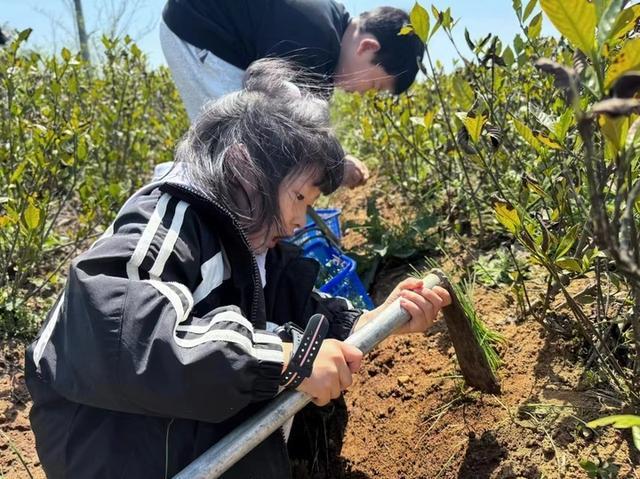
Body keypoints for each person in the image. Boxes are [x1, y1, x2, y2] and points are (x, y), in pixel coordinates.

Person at [25, 59, 449, 479]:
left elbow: (291, 305)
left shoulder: (252, 236)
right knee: (276, 374)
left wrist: (370, 322)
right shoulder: (168, 223)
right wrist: (281, 359)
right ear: (247, 172)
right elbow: (119, 333)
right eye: (301, 198)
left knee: (297, 370)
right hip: (111, 444)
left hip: (156, 428)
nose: (302, 220)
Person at [159, 0, 425, 188]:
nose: (363, 93)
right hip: (197, 29)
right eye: (375, 85)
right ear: (367, 47)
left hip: (218, 36)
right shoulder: (315, 34)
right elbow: (270, 105)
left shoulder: (329, 36)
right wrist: (333, 166)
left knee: (257, 157)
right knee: (232, 150)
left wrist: (334, 160)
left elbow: (306, 122)